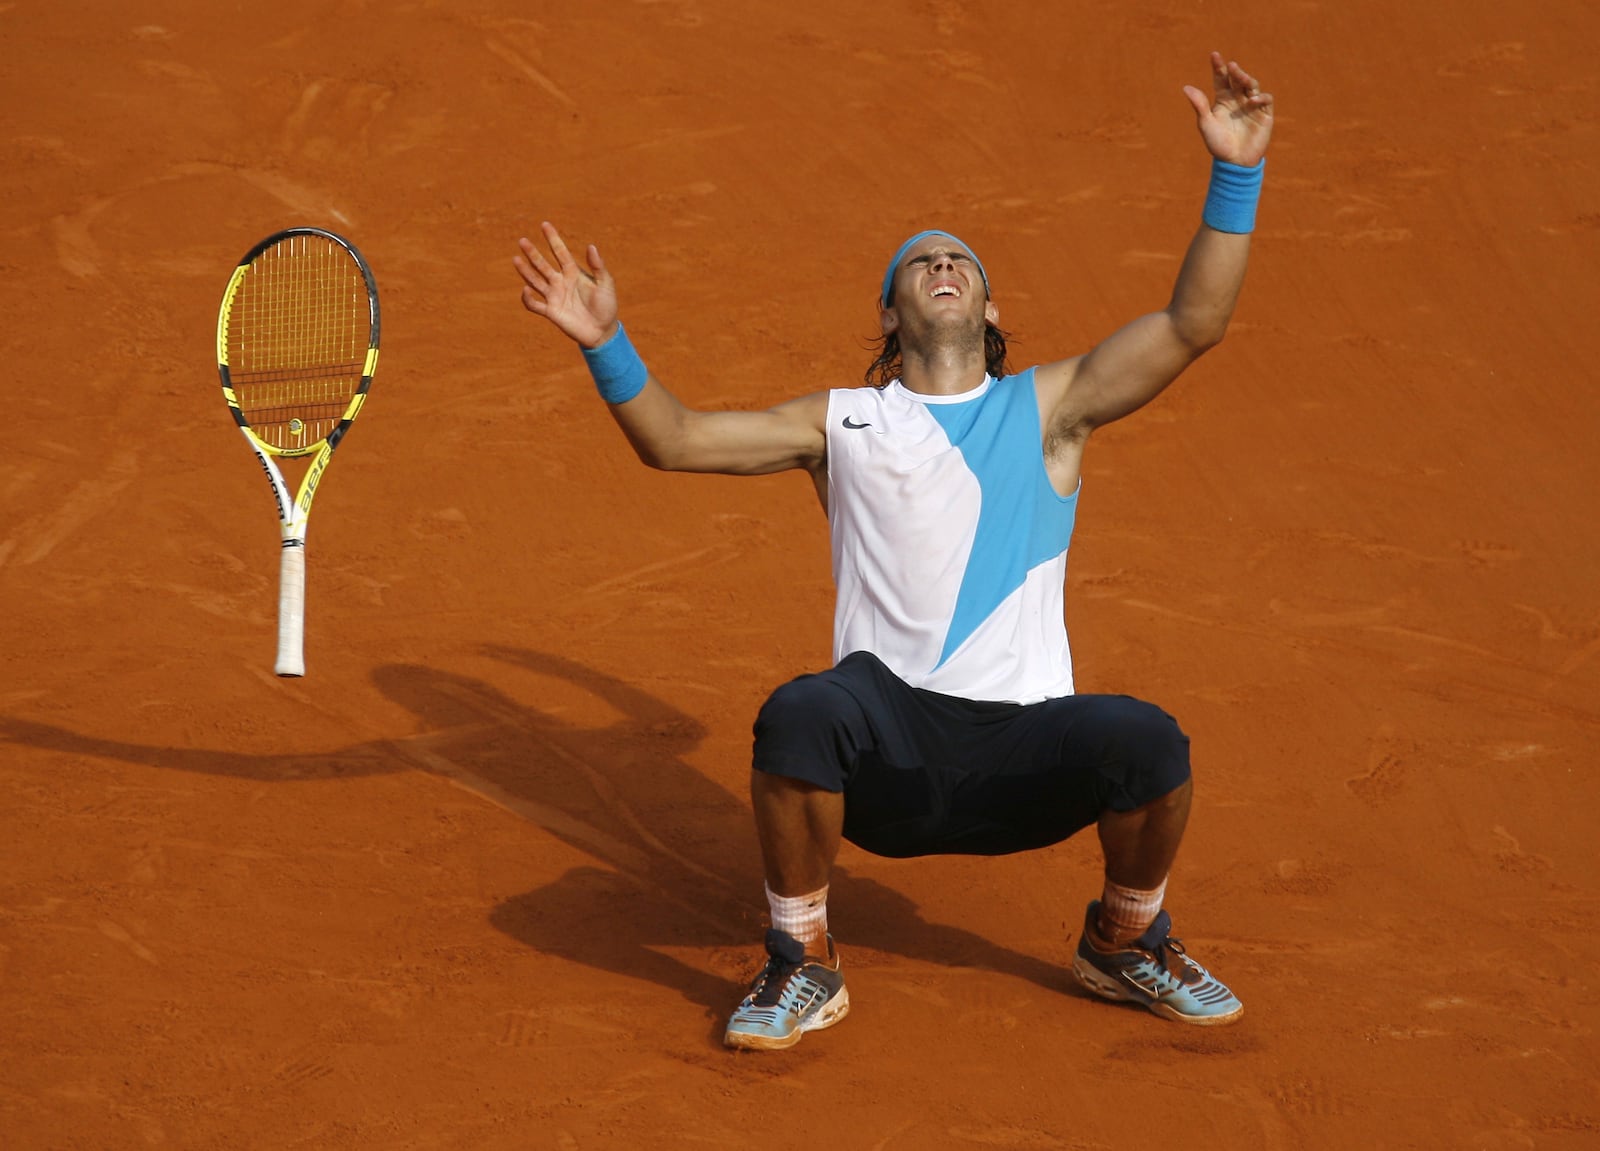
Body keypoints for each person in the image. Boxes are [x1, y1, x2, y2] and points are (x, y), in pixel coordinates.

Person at [513, 52, 1274, 1051]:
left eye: (962, 261)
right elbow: (676, 439)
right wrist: (605, 341)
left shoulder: (1050, 407)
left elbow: (1194, 321)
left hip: (1022, 752)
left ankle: (1125, 940)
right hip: (888, 750)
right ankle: (804, 958)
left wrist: (1236, 172)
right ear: (888, 312)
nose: (944, 266)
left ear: (991, 310)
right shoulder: (841, 423)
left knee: (1150, 741)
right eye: (920, 261)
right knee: (799, 711)